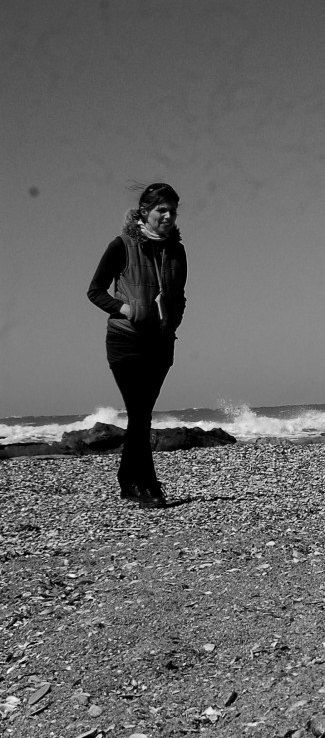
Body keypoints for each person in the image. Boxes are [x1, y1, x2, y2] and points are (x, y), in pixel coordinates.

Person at [87, 183, 187, 507]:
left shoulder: (177, 252)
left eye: (173, 210)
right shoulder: (122, 245)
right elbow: (95, 290)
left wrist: (173, 321)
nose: (169, 216)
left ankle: (126, 479)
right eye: (162, 211)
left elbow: (179, 296)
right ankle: (147, 485)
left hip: (160, 345)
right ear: (145, 212)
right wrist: (124, 309)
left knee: (140, 414)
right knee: (141, 412)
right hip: (126, 341)